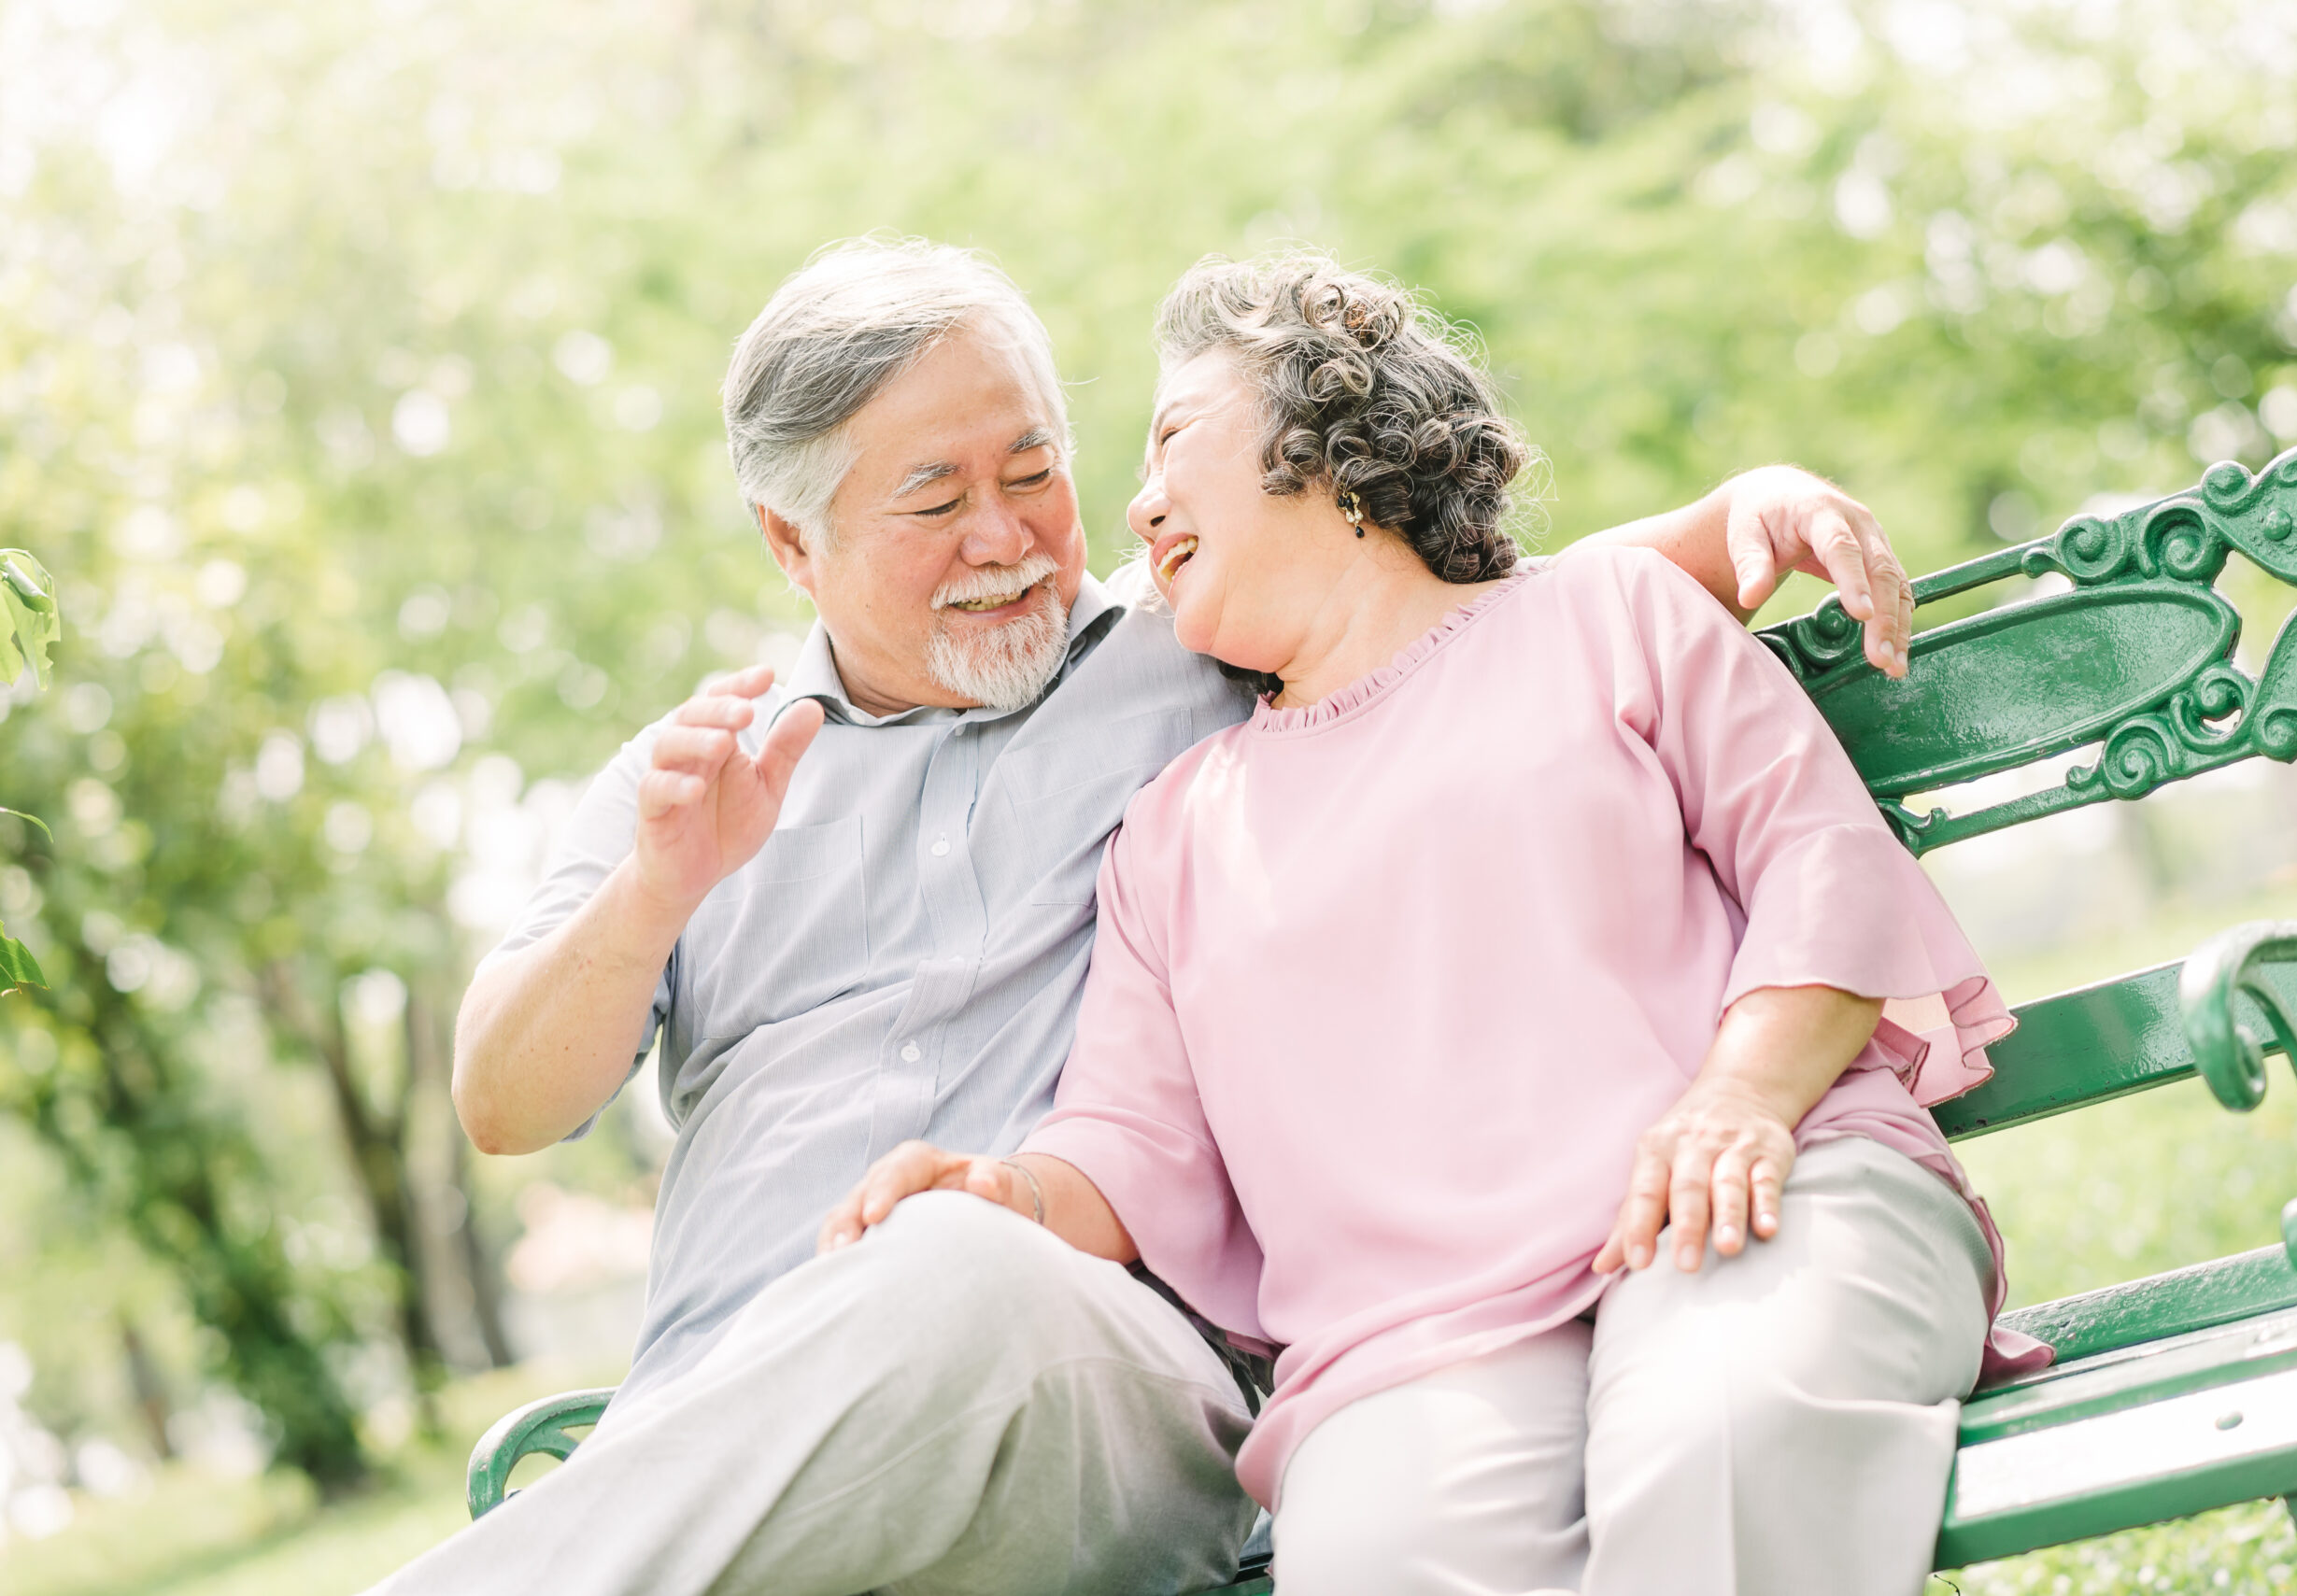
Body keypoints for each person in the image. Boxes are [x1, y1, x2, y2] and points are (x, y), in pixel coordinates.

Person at [368, 237, 1922, 1596]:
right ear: (793, 543)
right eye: (934, 499)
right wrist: (656, 890)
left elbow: (1452, 625)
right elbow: (506, 1102)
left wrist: (1735, 517)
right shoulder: (692, 779)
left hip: (1071, 1395)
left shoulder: (1186, 659)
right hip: (717, 1452)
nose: (1006, 536)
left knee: (954, 1264)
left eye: (1032, 470)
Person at [821, 252, 2047, 1596]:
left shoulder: (1609, 615)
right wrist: (1002, 1196)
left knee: (1723, 1439)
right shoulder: (1170, 832)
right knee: (1383, 1561)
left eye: (1171, 437)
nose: (1138, 500)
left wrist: (1743, 1097)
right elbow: (1127, 1137)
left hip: (1759, 1184)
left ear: (1327, 436)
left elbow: (1818, 860)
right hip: (1419, 1339)